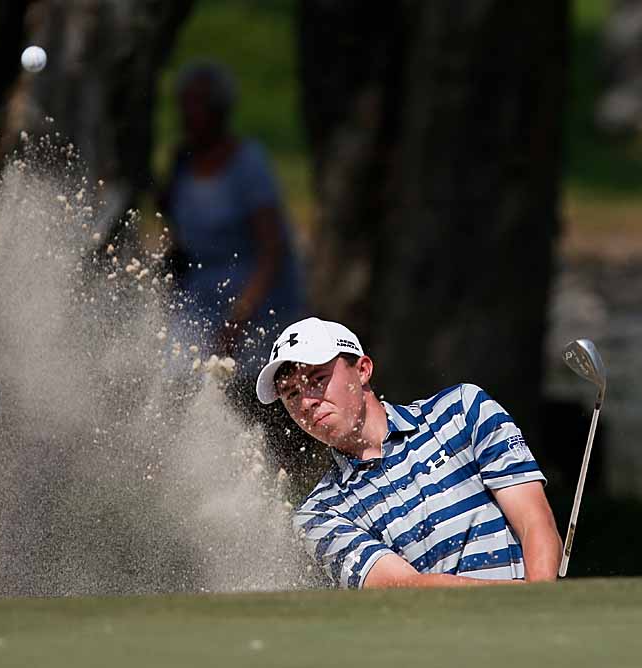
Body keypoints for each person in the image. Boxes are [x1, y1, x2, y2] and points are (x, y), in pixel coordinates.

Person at [256, 317, 563, 588]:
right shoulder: (319, 514)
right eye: (292, 393)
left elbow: (534, 520)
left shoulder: (462, 411)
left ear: (362, 370)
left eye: (318, 379)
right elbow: (405, 587)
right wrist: (520, 598)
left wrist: (538, 601)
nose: (306, 402)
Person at [161, 62, 306, 383]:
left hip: (251, 297)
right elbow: (176, 234)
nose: (190, 115)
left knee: (239, 383)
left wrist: (238, 317)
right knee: (178, 376)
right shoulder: (181, 166)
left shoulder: (248, 165)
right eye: (186, 106)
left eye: (199, 106)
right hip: (200, 294)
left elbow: (272, 247)